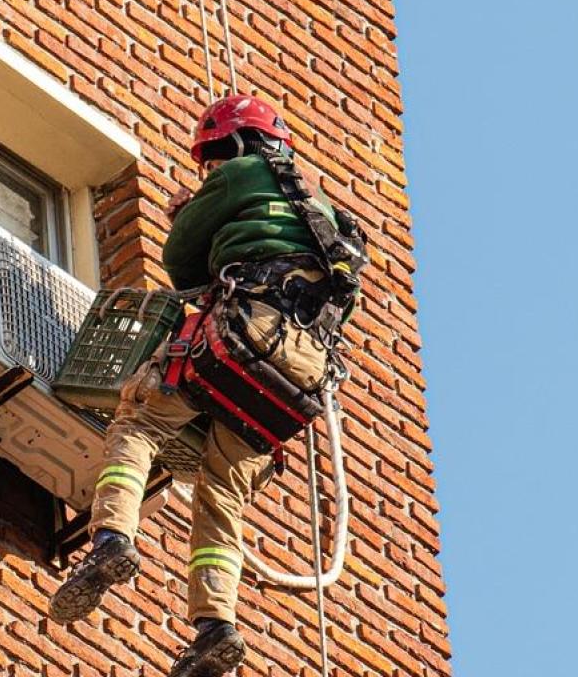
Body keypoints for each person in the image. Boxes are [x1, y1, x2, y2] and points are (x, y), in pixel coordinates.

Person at [48, 94, 365, 677]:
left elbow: (182, 264)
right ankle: (215, 625)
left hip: (246, 334)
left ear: (237, 146)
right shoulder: (337, 224)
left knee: (138, 419)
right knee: (224, 494)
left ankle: (112, 537)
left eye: (214, 156)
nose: (214, 167)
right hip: (301, 373)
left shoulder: (243, 173)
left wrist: (187, 211)